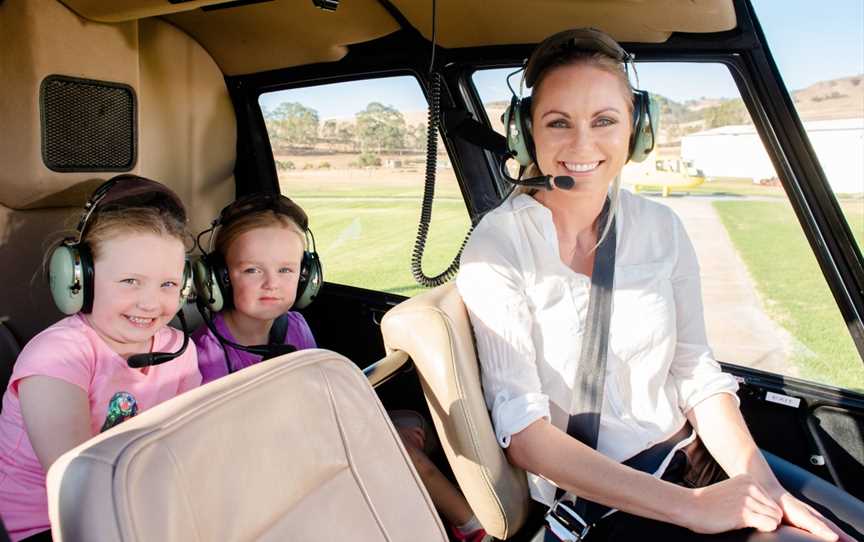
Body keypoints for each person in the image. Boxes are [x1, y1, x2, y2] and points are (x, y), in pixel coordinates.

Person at [456, 28, 860, 541]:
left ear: (637, 130)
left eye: (605, 120)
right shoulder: (498, 245)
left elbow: (694, 372)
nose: (582, 144)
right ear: (525, 132)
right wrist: (691, 508)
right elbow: (526, 436)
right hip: (604, 495)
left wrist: (760, 484)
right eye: (558, 123)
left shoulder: (660, 227)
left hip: (696, 453)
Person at [192, 193, 490, 541]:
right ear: (219, 278)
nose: (272, 283)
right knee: (396, 449)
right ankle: (472, 527)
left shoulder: (295, 326)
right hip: (264, 464)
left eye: (286, 270)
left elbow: (318, 393)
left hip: (310, 432)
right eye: (252, 270)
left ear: (306, 277)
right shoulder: (208, 352)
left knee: (413, 425)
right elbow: (221, 446)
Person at [0, 175, 202, 542]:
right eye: (130, 281)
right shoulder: (57, 357)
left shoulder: (179, 347)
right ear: (80, 280)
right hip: (47, 523)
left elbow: (189, 443)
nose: (151, 302)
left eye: (168, 284)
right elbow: (78, 485)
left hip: (137, 502)